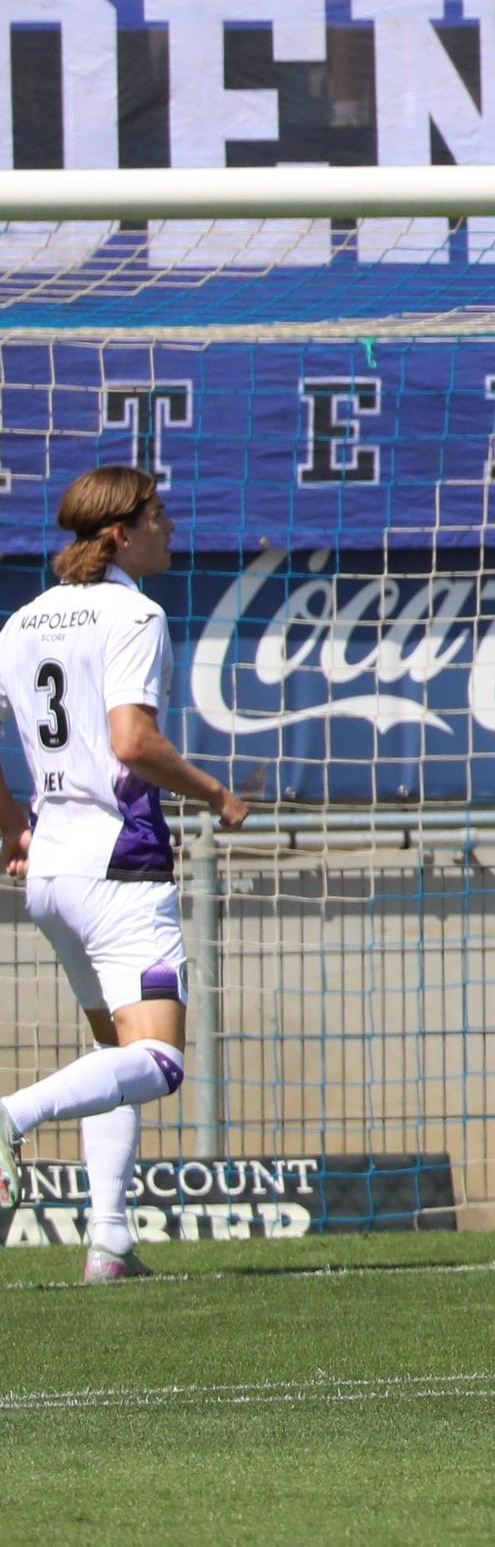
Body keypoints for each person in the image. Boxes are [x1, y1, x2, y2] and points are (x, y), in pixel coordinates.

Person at [0, 471, 250, 1287]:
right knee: (162, 1062)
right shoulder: (134, 613)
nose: (170, 527)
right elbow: (132, 743)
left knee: (111, 1049)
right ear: (119, 535)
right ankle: (11, 1116)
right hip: (118, 862)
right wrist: (215, 792)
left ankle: (109, 1242)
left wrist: (15, 831)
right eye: (158, 515)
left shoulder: (23, 620)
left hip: (51, 873)